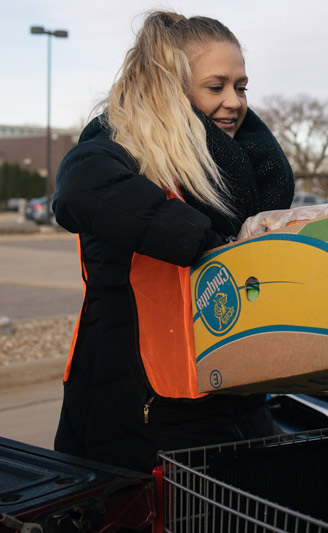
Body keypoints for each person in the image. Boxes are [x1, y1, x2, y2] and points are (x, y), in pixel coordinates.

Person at [52, 11, 294, 473]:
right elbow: (78, 187)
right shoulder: (121, 146)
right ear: (171, 87)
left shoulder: (237, 162)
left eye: (241, 87)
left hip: (230, 390)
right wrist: (205, 241)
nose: (234, 102)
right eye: (216, 86)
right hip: (143, 402)